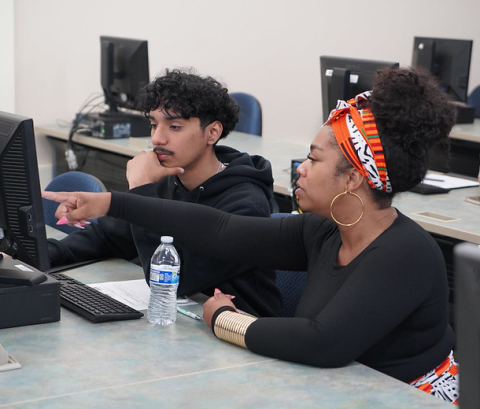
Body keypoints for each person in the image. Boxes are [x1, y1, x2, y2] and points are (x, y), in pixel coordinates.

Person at [43, 67, 458, 404]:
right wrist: (112, 202)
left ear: (352, 177)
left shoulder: (404, 251)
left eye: (312, 159)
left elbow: (322, 342)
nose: (300, 168)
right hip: (336, 391)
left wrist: (223, 319)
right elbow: (220, 230)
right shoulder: (325, 229)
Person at [46, 69, 282, 318]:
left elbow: (176, 282)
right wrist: (30, 257)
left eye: (175, 127)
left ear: (212, 132)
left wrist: (140, 190)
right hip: (183, 322)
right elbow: (108, 236)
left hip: (240, 337)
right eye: (153, 125)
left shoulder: (246, 205)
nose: (157, 138)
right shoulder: (168, 180)